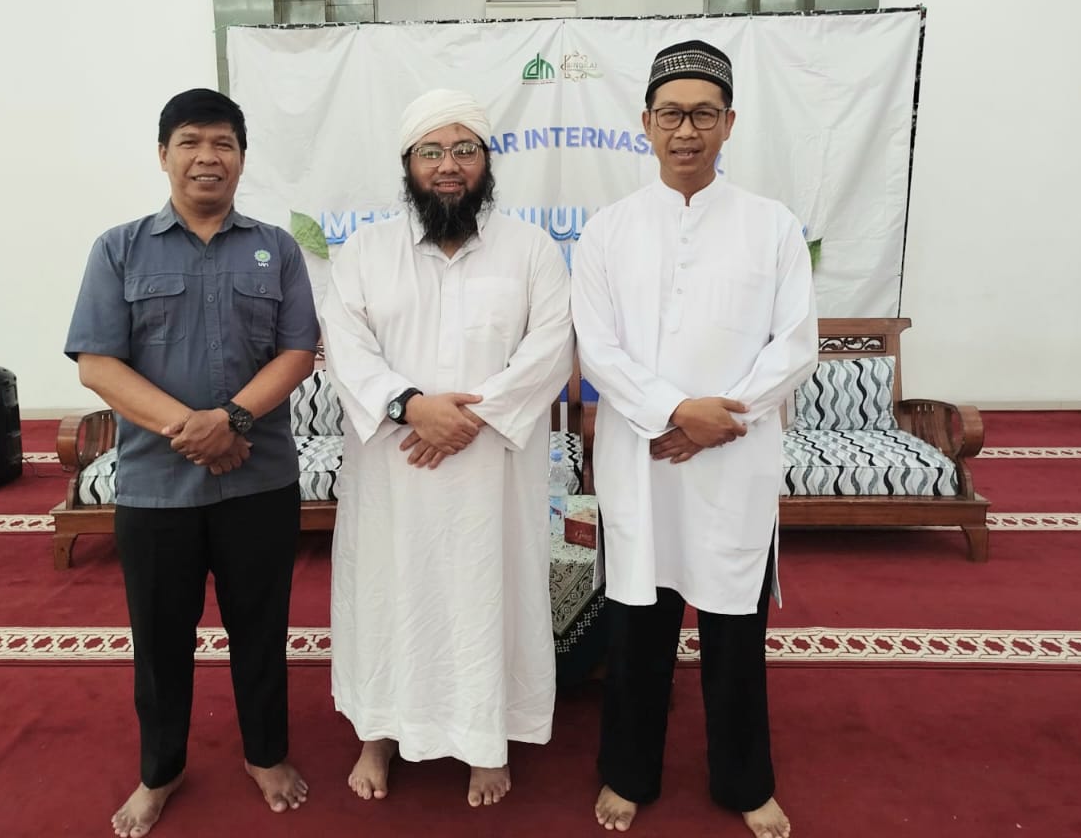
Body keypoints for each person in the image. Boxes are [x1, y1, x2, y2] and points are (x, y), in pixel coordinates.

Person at [570, 41, 818, 838]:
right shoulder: (608, 231)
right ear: (645, 123)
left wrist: (719, 421)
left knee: (735, 632)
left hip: (734, 461)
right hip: (644, 459)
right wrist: (677, 411)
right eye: (671, 114)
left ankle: (745, 781)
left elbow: (795, 345)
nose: (686, 131)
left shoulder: (772, 227)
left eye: (703, 114)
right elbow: (597, 347)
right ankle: (627, 772)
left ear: (729, 123)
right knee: (637, 627)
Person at [64, 88, 319, 837]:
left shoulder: (277, 248)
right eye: (190, 142)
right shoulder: (119, 248)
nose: (207, 157)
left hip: (258, 481)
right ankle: (161, 770)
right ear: (163, 155)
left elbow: (298, 352)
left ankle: (266, 754)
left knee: (261, 630)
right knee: (160, 641)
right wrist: (195, 430)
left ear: (241, 157)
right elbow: (97, 364)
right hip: (155, 488)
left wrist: (232, 421)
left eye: (223, 143)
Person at [320, 88, 573, 807]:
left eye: (465, 149)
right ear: (408, 164)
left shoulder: (531, 249)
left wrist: (466, 419)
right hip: (394, 469)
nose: (449, 165)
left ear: (487, 160)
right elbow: (347, 347)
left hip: (492, 470)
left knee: (485, 596)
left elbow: (551, 347)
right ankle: (378, 731)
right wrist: (413, 409)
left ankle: (486, 740)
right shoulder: (366, 252)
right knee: (387, 594)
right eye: (431, 151)